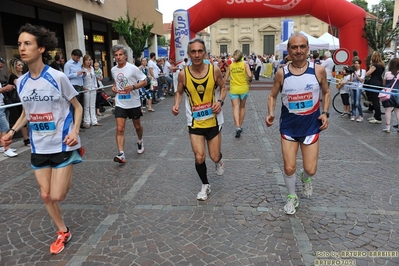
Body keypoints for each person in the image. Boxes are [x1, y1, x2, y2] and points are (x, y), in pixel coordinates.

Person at [1, 23, 83, 254]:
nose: (22, 48)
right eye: (19, 44)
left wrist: (75, 131)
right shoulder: (21, 82)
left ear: (41, 49)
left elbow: (76, 107)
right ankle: (63, 231)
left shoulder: (57, 77)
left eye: (28, 43)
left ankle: (74, 156)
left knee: (58, 194)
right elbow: (27, 112)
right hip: (38, 147)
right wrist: (11, 132)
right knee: (46, 195)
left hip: (62, 143)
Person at [265, 33, 330, 215]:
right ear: (289, 50)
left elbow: (326, 92)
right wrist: (271, 113)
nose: (299, 50)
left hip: (310, 127)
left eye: (302, 47)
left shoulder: (318, 70)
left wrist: (325, 113)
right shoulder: (282, 73)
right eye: (294, 47)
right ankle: (292, 196)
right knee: (288, 166)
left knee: (310, 169)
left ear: (308, 48)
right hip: (289, 128)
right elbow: (272, 95)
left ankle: (305, 178)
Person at [172, 38, 227, 201]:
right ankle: (205, 185)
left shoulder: (214, 70)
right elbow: (179, 92)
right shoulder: (183, 74)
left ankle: (219, 161)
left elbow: (223, 87)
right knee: (199, 156)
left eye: (200, 51)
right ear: (189, 54)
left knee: (214, 156)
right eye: (193, 52)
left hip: (214, 120)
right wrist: (176, 104)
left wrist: (220, 101)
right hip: (194, 122)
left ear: (205, 53)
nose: (196, 55)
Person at [111, 44, 147, 163]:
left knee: (137, 127)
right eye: (116, 55)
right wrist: (114, 88)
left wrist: (133, 87)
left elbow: (145, 81)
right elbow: (116, 83)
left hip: (134, 102)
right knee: (120, 129)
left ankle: (140, 141)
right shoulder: (113, 70)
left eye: (120, 54)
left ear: (125, 56)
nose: (118, 57)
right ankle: (121, 154)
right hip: (120, 103)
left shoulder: (132, 68)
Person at [224, 49, 253, 138]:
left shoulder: (230, 66)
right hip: (243, 88)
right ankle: (240, 125)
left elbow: (225, 79)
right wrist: (249, 79)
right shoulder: (245, 65)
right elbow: (250, 76)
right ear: (242, 57)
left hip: (234, 89)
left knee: (235, 108)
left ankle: (237, 127)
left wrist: (232, 80)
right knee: (242, 107)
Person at [7, 58, 31, 148]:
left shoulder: (22, 75)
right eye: (19, 65)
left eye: (21, 65)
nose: (21, 66)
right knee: (22, 119)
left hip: (23, 99)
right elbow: (21, 86)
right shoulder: (13, 76)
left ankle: (27, 138)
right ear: (15, 67)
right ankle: (26, 139)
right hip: (17, 100)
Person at [64, 49, 86, 131]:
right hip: (73, 85)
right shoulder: (68, 64)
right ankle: (75, 125)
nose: (78, 59)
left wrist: (83, 75)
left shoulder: (79, 63)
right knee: (75, 106)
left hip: (80, 84)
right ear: (72, 55)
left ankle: (80, 123)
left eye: (79, 58)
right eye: (77, 57)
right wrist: (76, 74)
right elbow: (66, 76)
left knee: (81, 104)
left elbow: (80, 73)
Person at [0, 58, 18, 157]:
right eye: (0, 67)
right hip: (0, 105)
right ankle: (6, 148)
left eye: (2, 67)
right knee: (5, 127)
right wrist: (4, 88)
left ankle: (3, 146)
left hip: (3, 104)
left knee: (2, 127)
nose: (1, 69)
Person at [364, 51, 385, 124]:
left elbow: (367, 74)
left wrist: (370, 66)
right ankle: (376, 115)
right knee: (376, 101)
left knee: (375, 101)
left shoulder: (374, 66)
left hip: (374, 83)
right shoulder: (382, 65)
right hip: (379, 82)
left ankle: (378, 118)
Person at [82, 55, 101, 128]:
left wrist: (96, 86)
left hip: (93, 88)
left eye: (89, 60)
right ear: (84, 61)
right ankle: (87, 121)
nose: (88, 61)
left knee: (93, 105)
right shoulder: (82, 69)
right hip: (86, 88)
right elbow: (81, 79)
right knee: (86, 106)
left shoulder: (92, 68)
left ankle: (94, 121)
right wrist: (83, 87)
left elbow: (94, 78)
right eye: (87, 60)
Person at [381, 58, 399, 133]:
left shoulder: (387, 74)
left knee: (387, 111)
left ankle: (387, 127)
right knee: (397, 111)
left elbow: (384, 84)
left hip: (388, 94)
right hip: (397, 94)